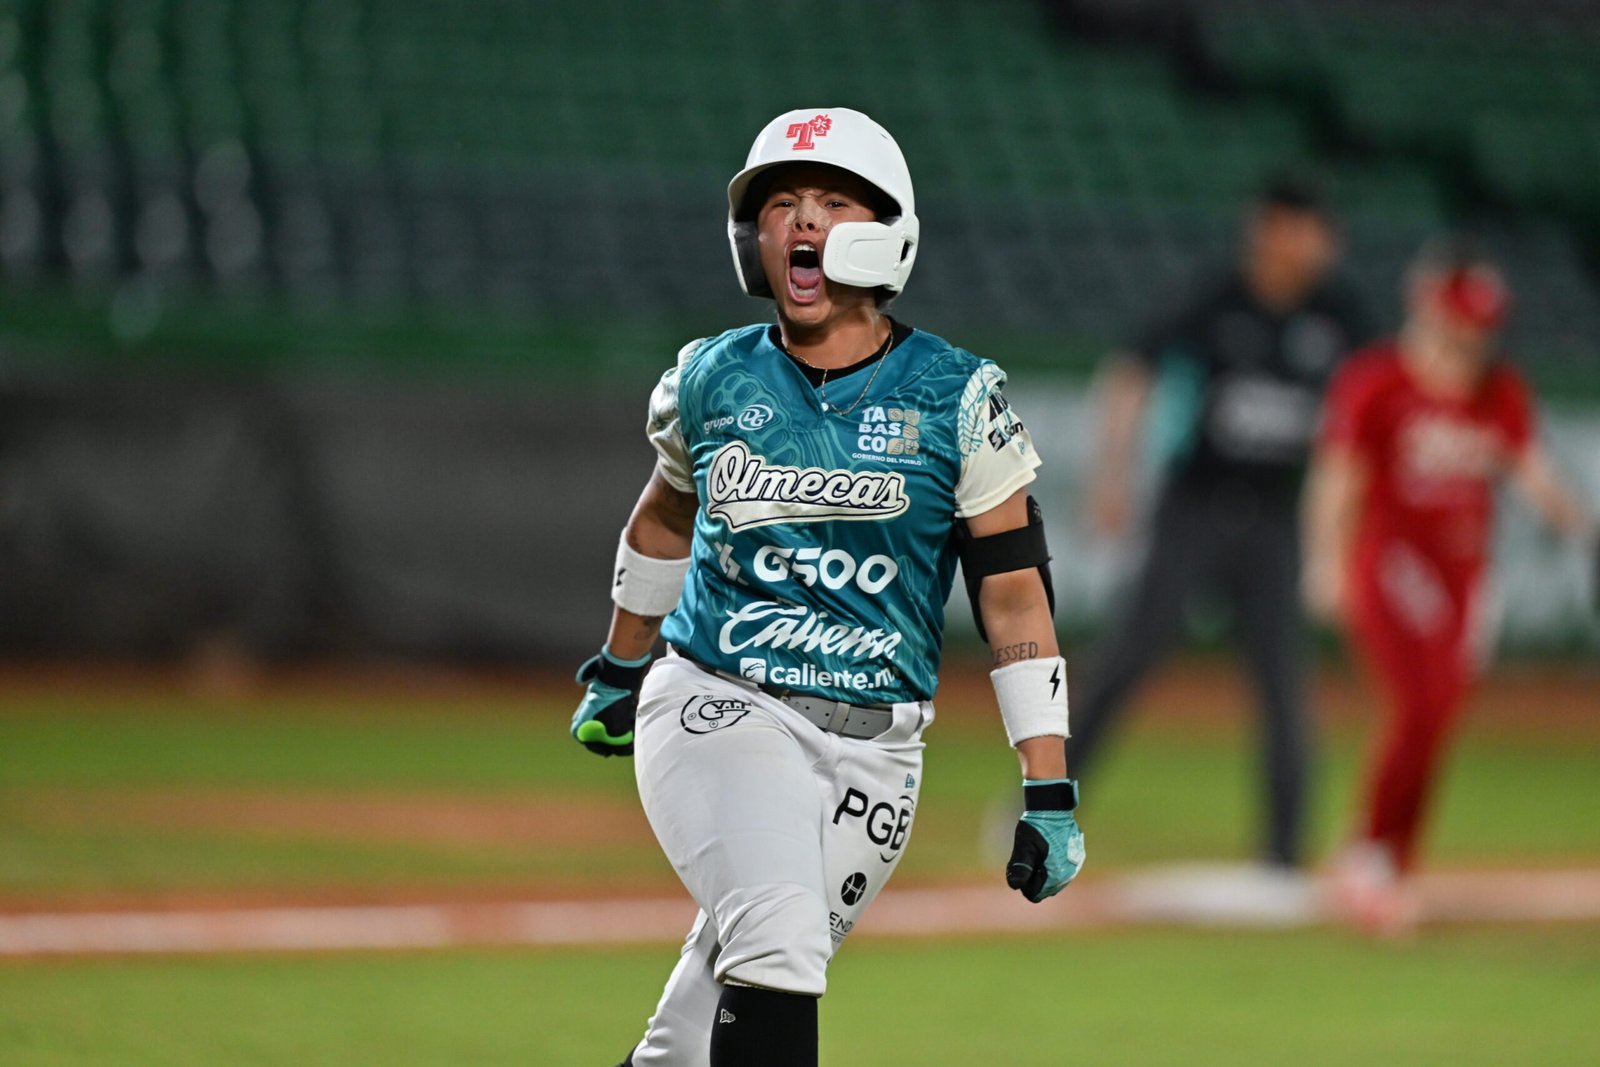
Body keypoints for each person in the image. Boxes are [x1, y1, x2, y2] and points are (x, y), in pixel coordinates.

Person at [570, 107, 1084, 1067]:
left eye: (832, 201)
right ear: (753, 239)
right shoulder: (709, 378)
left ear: (889, 230)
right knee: (780, 944)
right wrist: (621, 665)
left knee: (693, 1037)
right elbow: (665, 519)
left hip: (879, 759)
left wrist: (1047, 784)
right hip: (722, 701)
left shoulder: (958, 396)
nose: (802, 220)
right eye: (782, 205)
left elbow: (1014, 595)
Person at [1070, 173, 1368, 873]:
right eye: (1308, 230)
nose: (1321, 246)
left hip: (1274, 520)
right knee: (1130, 657)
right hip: (1195, 508)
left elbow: (1378, 397)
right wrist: (1113, 475)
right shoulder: (1216, 297)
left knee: (1283, 680)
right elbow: (1130, 371)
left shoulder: (1338, 314)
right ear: (1272, 231)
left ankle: (1284, 852)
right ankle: (1044, 805)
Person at [1303, 236, 1596, 937]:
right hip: (1391, 561)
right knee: (1418, 705)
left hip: (1463, 576)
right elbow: (1340, 475)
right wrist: (1324, 559)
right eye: (1465, 320)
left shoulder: (1498, 390)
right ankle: (1370, 857)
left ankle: (1386, 857)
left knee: (1437, 717)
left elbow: (1529, 469)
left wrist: (1581, 525)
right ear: (1431, 308)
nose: (1475, 337)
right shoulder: (1377, 382)